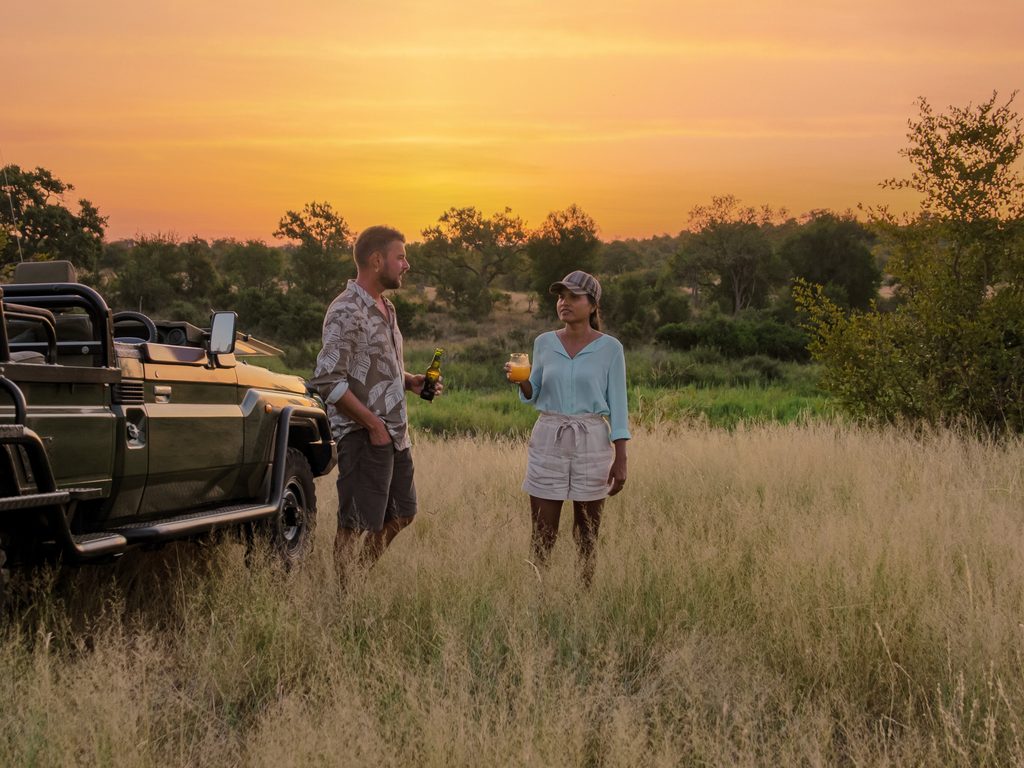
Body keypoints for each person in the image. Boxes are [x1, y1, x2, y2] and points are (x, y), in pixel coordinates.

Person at [310, 225, 439, 581]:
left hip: (395, 433)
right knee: (354, 523)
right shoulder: (346, 310)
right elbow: (327, 380)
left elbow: (378, 367)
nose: (406, 264)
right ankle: (343, 594)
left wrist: (409, 380)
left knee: (403, 513)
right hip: (364, 435)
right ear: (376, 260)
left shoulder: (387, 307)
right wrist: (372, 424)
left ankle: (357, 577)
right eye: (400, 257)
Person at [506, 270, 630, 584]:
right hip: (549, 436)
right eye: (561, 296)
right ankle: (537, 598)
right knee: (542, 533)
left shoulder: (610, 348)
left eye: (574, 297)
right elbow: (534, 393)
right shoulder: (544, 342)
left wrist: (621, 458)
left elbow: (618, 404)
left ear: (592, 305)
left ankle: (583, 597)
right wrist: (521, 382)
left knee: (587, 534)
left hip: (591, 440)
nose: (565, 302)